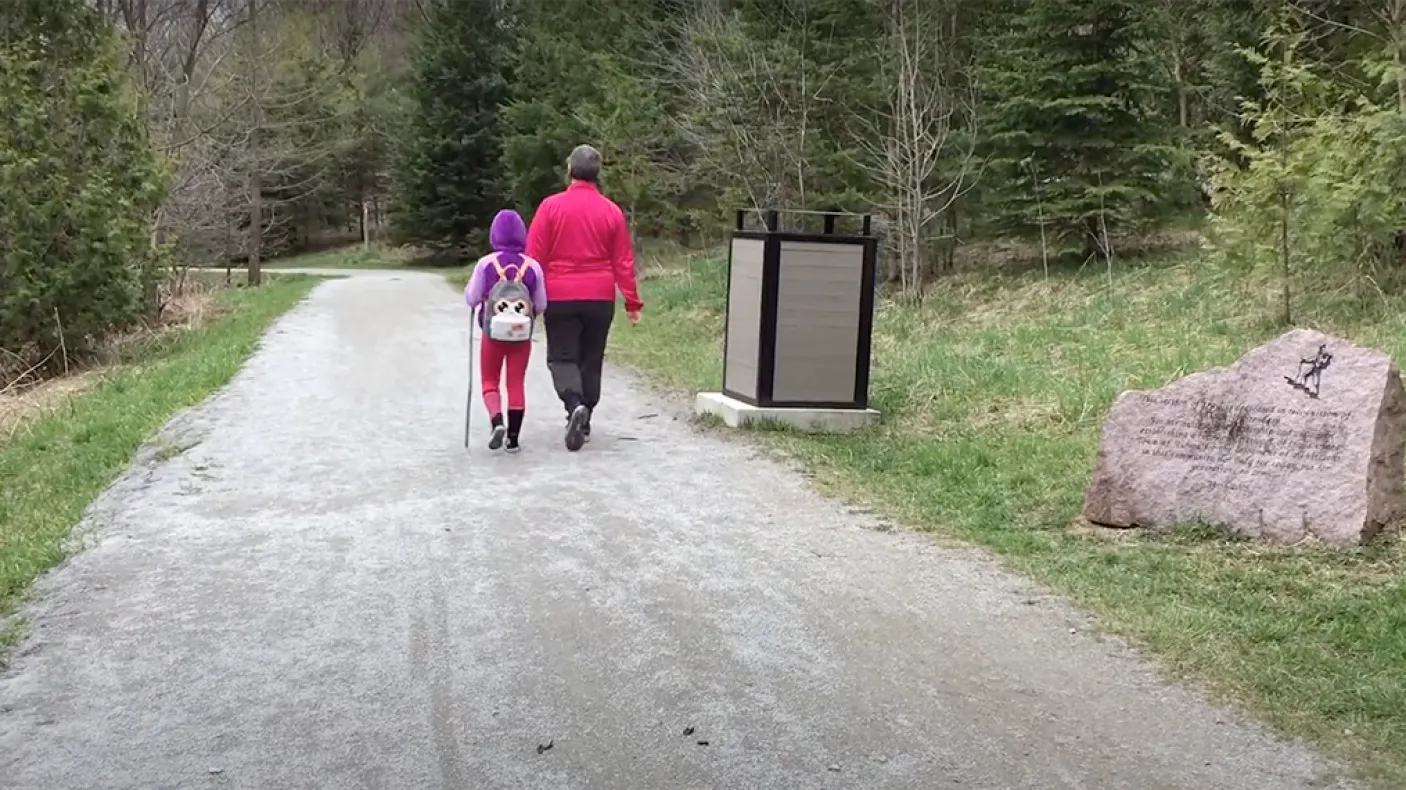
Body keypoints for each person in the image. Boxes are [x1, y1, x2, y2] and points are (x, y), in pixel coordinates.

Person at [526, 144, 644, 452]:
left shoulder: (550, 207)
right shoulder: (611, 211)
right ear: (598, 174)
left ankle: (573, 404)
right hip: (599, 296)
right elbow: (623, 261)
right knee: (591, 359)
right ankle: (585, 416)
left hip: (560, 294)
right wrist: (632, 301)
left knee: (562, 358)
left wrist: (527, 295)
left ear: (569, 171)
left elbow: (534, 256)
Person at [464, 209, 548, 453]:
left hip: (492, 334)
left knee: (490, 381)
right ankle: (513, 439)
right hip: (521, 336)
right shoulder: (533, 267)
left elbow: (471, 298)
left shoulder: (486, 264)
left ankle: (496, 421)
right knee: (516, 383)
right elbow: (541, 304)